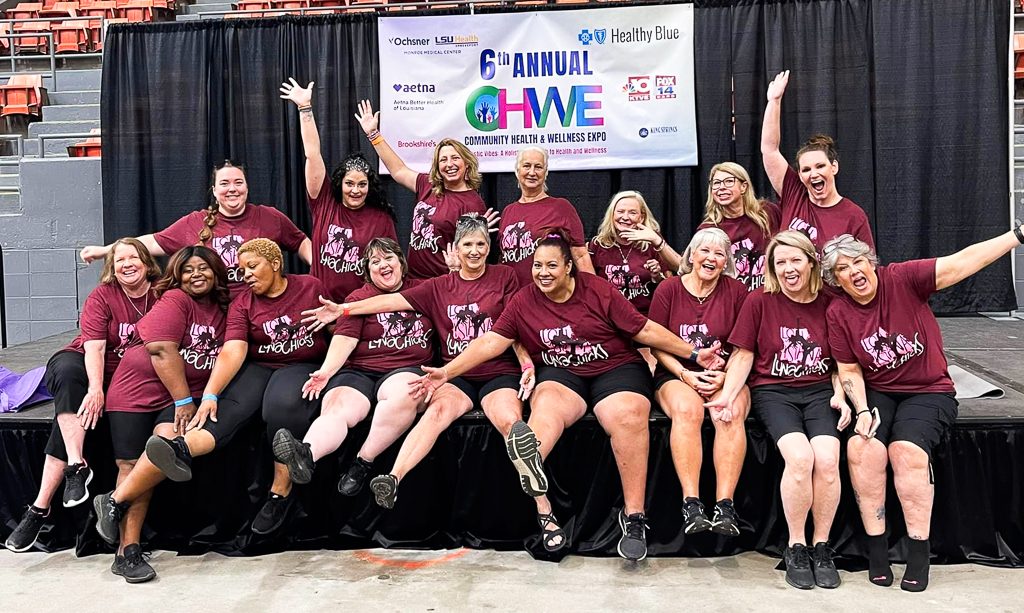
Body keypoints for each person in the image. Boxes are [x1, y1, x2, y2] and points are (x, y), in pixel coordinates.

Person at [405, 229, 726, 561]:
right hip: (561, 372)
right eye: (537, 265)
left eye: (552, 266)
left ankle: (634, 518)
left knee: (628, 415)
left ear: (569, 267)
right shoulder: (524, 300)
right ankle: (531, 461)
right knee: (545, 407)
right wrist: (447, 371)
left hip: (614, 366)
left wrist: (693, 353)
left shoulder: (598, 290)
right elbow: (491, 342)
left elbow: (643, 329)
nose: (543, 272)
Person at [822, 226, 1024, 592]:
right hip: (879, 391)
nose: (853, 271)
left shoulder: (902, 279)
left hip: (929, 390)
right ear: (835, 280)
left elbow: (961, 262)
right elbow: (849, 368)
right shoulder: (838, 311)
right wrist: (863, 409)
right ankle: (877, 548)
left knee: (906, 451)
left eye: (858, 261)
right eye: (842, 269)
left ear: (872, 263)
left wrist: (1018, 236)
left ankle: (918, 552)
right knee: (861, 449)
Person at [304, 217, 536, 524]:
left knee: (510, 420)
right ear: (456, 248)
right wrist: (343, 309)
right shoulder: (436, 287)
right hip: (456, 375)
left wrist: (526, 363)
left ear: (490, 246)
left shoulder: (505, 276)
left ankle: (540, 499)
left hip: (498, 372)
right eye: (468, 244)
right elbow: (384, 303)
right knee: (436, 413)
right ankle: (393, 478)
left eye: (481, 243)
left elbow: (513, 329)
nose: (475, 250)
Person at [130, 239, 331, 537]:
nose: (246, 275)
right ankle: (180, 449)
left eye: (252, 267)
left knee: (280, 405)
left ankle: (279, 494)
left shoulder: (310, 287)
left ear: (275, 264)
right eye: (241, 270)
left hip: (300, 364)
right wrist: (210, 395)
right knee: (224, 409)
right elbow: (232, 351)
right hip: (260, 364)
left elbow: (337, 330)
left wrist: (332, 356)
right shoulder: (243, 303)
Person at [706, 230, 847, 590]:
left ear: (811, 262)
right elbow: (743, 355)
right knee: (800, 458)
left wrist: (843, 398)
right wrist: (727, 395)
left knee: (828, 460)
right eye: (780, 262)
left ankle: (822, 546)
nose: (788, 269)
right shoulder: (759, 301)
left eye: (795, 260)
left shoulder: (831, 300)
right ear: (771, 267)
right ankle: (796, 545)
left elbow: (843, 362)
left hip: (819, 392)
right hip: (775, 392)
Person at [4, 239, 160, 553]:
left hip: (132, 372)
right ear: (111, 269)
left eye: (133, 258)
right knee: (65, 373)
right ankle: (76, 465)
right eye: (119, 260)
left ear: (147, 263)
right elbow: (95, 348)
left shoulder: (162, 295)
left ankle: (39, 507)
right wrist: (95, 389)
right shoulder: (103, 296)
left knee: (69, 422)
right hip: (91, 360)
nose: (126, 264)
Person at [269, 238, 435, 526]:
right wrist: (327, 371)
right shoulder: (359, 298)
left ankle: (362, 464)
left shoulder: (424, 288)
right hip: (360, 369)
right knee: (338, 408)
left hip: (405, 368)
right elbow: (346, 338)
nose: (383, 265)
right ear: (367, 271)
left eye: (389, 258)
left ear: (401, 261)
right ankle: (306, 454)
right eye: (375, 262)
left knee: (402, 395)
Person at [91, 246, 230, 583]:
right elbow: (160, 348)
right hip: (136, 390)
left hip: (177, 395)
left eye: (204, 268)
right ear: (177, 275)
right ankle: (128, 551)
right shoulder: (175, 301)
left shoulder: (225, 308)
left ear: (216, 272)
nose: (196, 275)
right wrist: (185, 401)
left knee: (161, 450)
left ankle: (112, 503)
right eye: (187, 270)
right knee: (129, 464)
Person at [79, 161, 312, 298]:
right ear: (214, 190)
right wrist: (104, 251)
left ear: (247, 187)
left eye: (238, 182)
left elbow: (300, 242)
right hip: (215, 309)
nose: (232, 189)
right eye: (224, 183)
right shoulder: (195, 221)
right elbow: (150, 243)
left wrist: (318, 267)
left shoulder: (269, 217)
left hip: (259, 306)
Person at [648, 228, 750, 537]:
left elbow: (744, 346)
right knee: (689, 411)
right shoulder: (668, 289)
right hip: (676, 372)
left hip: (725, 373)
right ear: (691, 256)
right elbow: (656, 344)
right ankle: (691, 504)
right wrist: (685, 374)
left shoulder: (737, 291)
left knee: (727, 412)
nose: (711, 258)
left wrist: (725, 377)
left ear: (726, 262)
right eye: (705, 251)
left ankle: (725, 507)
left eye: (720, 254)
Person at [280, 78, 399, 301]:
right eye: (349, 184)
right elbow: (312, 153)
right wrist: (305, 108)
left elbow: (391, 268)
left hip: (360, 308)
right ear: (339, 184)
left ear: (369, 186)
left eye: (362, 184)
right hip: (320, 304)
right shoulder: (324, 201)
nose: (356, 190)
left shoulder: (381, 219)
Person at [355, 99, 497, 279]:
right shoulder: (427, 185)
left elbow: (472, 255)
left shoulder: (472, 203)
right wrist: (373, 134)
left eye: (455, 158)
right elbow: (398, 170)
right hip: (411, 279)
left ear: (467, 165)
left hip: (441, 282)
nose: (449, 164)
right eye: (443, 160)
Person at [761, 70, 873, 254]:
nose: (813, 174)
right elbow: (769, 149)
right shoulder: (794, 193)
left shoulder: (854, 216)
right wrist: (774, 101)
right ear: (799, 175)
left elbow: (866, 267)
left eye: (820, 166)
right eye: (805, 169)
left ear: (834, 167)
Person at [498, 146, 594, 286]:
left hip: (549, 295)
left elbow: (579, 255)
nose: (532, 172)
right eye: (526, 166)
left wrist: (593, 293)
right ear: (517, 171)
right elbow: (503, 259)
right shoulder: (508, 211)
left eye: (538, 167)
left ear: (546, 172)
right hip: (513, 297)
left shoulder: (561, 207)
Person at [588, 190, 681, 316]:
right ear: (612, 215)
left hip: (646, 317)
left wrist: (656, 276)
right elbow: (588, 285)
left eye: (632, 213)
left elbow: (671, 284)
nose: (625, 217)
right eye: (620, 212)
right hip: (610, 318)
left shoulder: (652, 241)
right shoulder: (598, 245)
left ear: (641, 218)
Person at [698, 162, 781, 291]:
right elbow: (689, 263)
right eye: (716, 183)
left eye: (729, 181)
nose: (722, 187)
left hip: (769, 294)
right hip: (734, 299)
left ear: (743, 187)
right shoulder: (709, 229)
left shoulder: (768, 212)